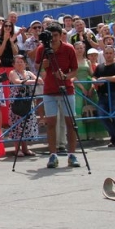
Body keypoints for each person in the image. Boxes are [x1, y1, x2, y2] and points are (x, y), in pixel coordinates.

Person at [35, 22, 80, 169]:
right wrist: (43, 65)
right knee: (51, 123)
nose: (53, 39)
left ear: (61, 35)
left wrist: (65, 76)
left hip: (67, 89)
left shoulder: (69, 48)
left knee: (70, 123)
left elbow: (75, 70)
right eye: (51, 36)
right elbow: (37, 66)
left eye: (56, 35)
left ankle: (72, 154)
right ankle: (52, 155)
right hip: (49, 90)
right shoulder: (42, 48)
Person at [7, 55, 41, 156]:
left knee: (26, 125)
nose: (19, 64)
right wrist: (33, 81)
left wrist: (38, 79)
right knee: (17, 125)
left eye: (21, 62)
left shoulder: (29, 73)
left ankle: (25, 149)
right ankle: (17, 149)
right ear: (13, 64)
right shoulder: (13, 72)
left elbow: (39, 79)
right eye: (17, 62)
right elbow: (17, 82)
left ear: (25, 63)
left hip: (28, 101)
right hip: (17, 102)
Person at [92, 46, 115, 147]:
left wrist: (105, 79)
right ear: (103, 54)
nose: (108, 55)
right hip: (102, 95)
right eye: (106, 53)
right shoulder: (100, 67)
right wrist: (96, 81)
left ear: (114, 54)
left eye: (110, 53)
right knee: (101, 115)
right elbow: (93, 76)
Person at [71, 41, 102, 141]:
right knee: (79, 110)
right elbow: (73, 76)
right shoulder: (72, 61)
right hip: (78, 86)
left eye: (81, 48)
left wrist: (92, 86)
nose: (80, 50)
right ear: (74, 49)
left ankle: (92, 133)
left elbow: (92, 75)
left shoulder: (87, 61)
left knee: (91, 109)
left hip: (88, 86)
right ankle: (81, 135)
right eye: (78, 48)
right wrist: (82, 88)